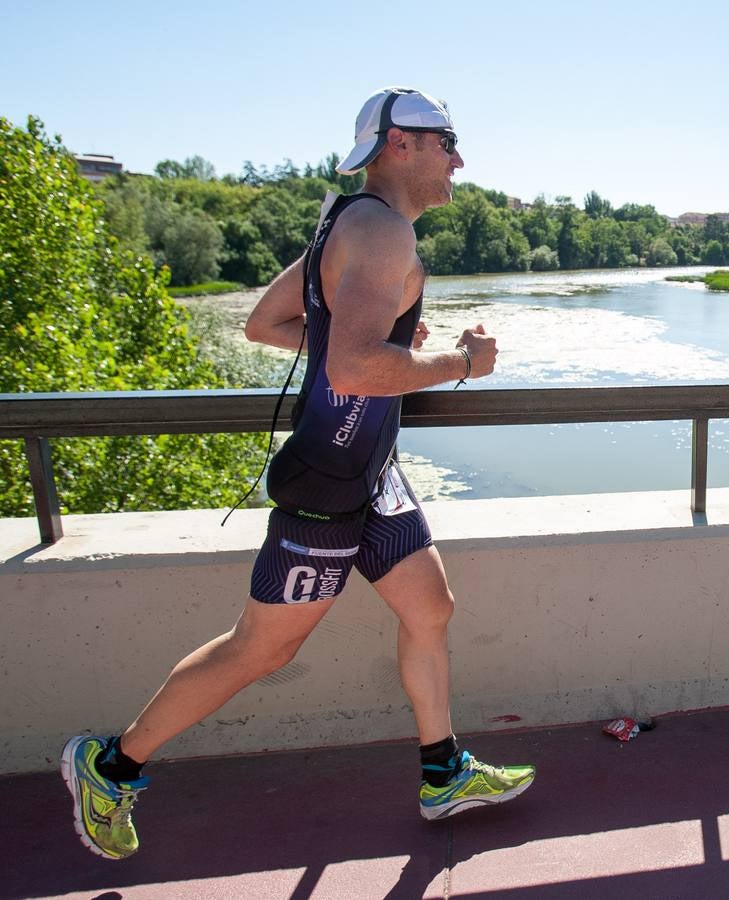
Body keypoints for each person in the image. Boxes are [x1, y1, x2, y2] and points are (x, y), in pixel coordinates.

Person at [60, 87, 534, 861]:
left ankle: (443, 770)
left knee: (430, 607)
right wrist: (461, 363)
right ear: (399, 145)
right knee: (260, 650)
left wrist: (363, 353)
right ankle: (109, 767)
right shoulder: (381, 235)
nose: (459, 157)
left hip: (370, 476)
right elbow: (352, 366)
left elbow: (268, 324)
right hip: (326, 489)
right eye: (447, 140)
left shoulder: (343, 225)